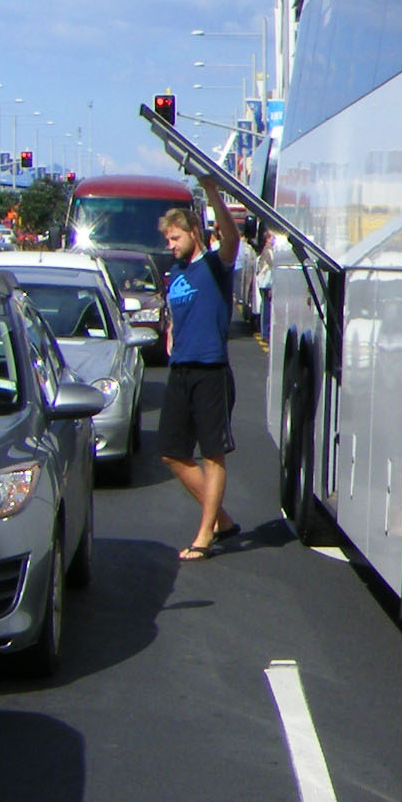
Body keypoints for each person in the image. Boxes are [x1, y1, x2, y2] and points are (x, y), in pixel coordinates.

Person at [160, 182, 242, 560]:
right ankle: (221, 519)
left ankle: (204, 535)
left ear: (194, 232)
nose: (170, 245)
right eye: (167, 239)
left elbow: (232, 237)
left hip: (210, 370)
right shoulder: (176, 272)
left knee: (213, 455)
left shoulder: (214, 266)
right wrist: (171, 331)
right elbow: (178, 312)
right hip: (180, 370)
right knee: (172, 452)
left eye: (175, 237)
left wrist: (212, 192)